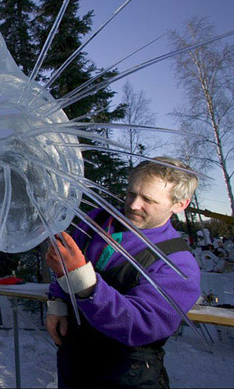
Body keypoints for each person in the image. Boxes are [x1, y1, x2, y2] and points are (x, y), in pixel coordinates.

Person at [45, 157, 201, 388]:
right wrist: (57, 303)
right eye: (130, 193)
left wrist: (84, 282)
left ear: (179, 205)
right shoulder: (96, 220)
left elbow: (141, 325)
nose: (133, 205)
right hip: (74, 361)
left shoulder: (178, 264)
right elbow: (62, 264)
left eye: (147, 199)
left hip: (127, 372)